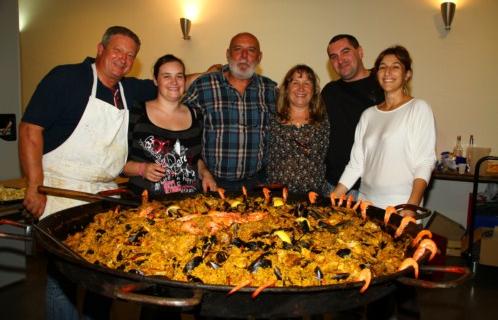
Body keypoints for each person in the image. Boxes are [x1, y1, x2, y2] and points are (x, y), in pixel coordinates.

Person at [19, 26, 156, 320]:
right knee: (63, 281)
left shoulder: (128, 90)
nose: (123, 59)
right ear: (100, 48)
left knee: (102, 280)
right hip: (59, 192)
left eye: (130, 55)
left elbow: (171, 83)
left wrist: (214, 73)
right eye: (117, 50)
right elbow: (31, 130)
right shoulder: (66, 78)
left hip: (103, 197)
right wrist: (34, 185)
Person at [333, 45, 436, 320]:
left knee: (402, 289)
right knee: (369, 280)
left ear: (407, 74)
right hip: (368, 210)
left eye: (395, 67)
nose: (387, 72)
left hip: (401, 211)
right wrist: (339, 191)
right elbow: (357, 162)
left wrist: (411, 208)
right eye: (382, 67)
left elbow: (425, 162)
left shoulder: (418, 109)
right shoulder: (368, 115)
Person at [183, 32, 278, 192]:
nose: (244, 56)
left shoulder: (270, 89)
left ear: (259, 57)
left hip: (257, 183)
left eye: (251, 50)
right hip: (211, 182)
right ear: (228, 54)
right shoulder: (204, 85)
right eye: (238, 49)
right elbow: (180, 125)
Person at [124, 54, 217, 197]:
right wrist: (141, 169)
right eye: (166, 76)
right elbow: (117, 163)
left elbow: (195, 159)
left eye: (179, 76)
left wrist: (205, 173)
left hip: (190, 205)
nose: (174, 82)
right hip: (144, 206)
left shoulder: (197, 115)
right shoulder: (136, 113)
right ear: (155, 80)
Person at [322, 34, 384, 194]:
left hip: (372, 187)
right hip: (334, 184)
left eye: (345, 52)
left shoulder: (383, 84)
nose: (340, 60)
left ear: (360, 52)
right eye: (333, 56)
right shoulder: (329, 92)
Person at [267, 64, 329, 195]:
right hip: (278, 195)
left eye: (307, 83)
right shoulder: (271, 118)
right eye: (295, 82)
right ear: (286, 88)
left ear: (314, 90)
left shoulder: (323, 120)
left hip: (314, 195)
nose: (301, 88)